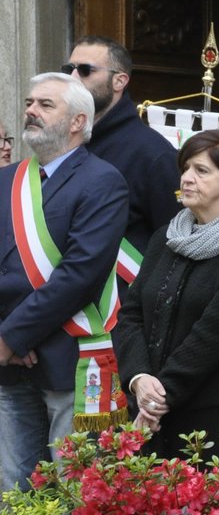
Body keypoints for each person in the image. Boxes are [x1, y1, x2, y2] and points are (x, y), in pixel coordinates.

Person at [0, 74, 129, 491]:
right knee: (13, 494)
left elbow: (80, 274)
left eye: (45, 104)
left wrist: (13, 335)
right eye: (29, 101)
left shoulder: (102, 181)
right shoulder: (6, 181)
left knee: (74, 492)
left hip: (66, 358)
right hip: (10, 362)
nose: (30, 111)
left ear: (77, 121)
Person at [112, 130, 219, 460]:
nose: (186, 178)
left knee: (216, 510)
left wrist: (159, 397)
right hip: (153, 405)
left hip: (216, 415)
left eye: (201, 171)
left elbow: (216, 332)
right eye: (186, 168)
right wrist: (139, 379)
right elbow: (131, 315)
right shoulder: (166, 237)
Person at [63, 36, 179, 268]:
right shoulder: (62, 140)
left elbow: (174, 240)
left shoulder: (153, 154)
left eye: (85, 70)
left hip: (120, 297)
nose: (72, 78)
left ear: (119, 81)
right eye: (69, 69)